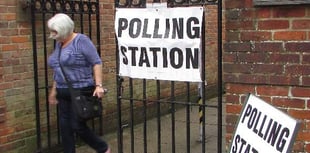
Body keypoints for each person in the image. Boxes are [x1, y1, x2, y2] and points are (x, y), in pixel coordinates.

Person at [47, 13, 111, 153]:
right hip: (63, 91)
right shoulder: (60, 44)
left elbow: (96, 62)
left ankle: (103, 148)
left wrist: (98, 85)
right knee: (65, 127)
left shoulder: (81, 41)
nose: (52, 34)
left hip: (80, 90)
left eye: (55, 31)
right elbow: (58, 68)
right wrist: (54, 90)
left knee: (77, 125)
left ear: (64, 29)